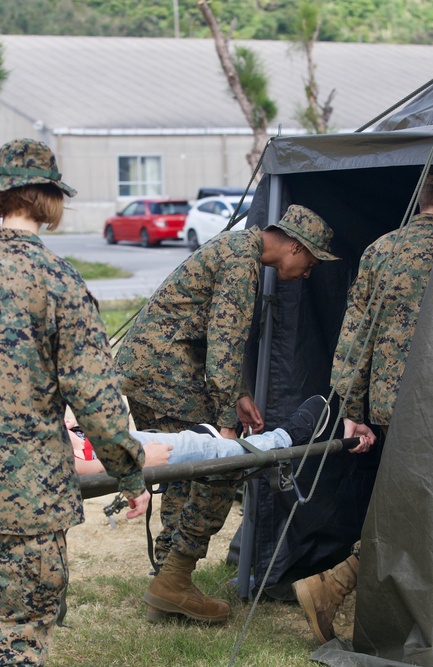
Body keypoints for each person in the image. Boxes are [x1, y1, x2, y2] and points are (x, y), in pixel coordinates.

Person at [0, 138, 150, 666]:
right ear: (50, 201)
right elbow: (96, 398)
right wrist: (130, 474)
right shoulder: (60, 282)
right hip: (28, 497)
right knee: (19, 634)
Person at [115, 203, 340, 624]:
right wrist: (225, 425)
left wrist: (238, 394)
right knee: (221, 467)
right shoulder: (242, 262)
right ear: (294, 246)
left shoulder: (235, 248)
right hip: (169, 374)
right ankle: (173, 580)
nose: (309, 273)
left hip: (149, 371)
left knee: (179, 475)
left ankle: (168, 585)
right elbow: (224, 344)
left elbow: (212, 335)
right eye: (310, 262)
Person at [292, 166, 433, 644]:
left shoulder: (381, 250)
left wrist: (352, 412)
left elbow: (355, 337)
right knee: (426, 505)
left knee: (411, 501)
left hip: (390, 404)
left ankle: (338, 586)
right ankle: (333, 585)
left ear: (422, 197)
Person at [70, 395, 377, 476]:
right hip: (103, 454)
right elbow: (70, 471)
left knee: (197, 445)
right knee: (215, 453)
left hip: (92, 441)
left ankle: (207, 440)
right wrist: (138, 462)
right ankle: (286, 437)